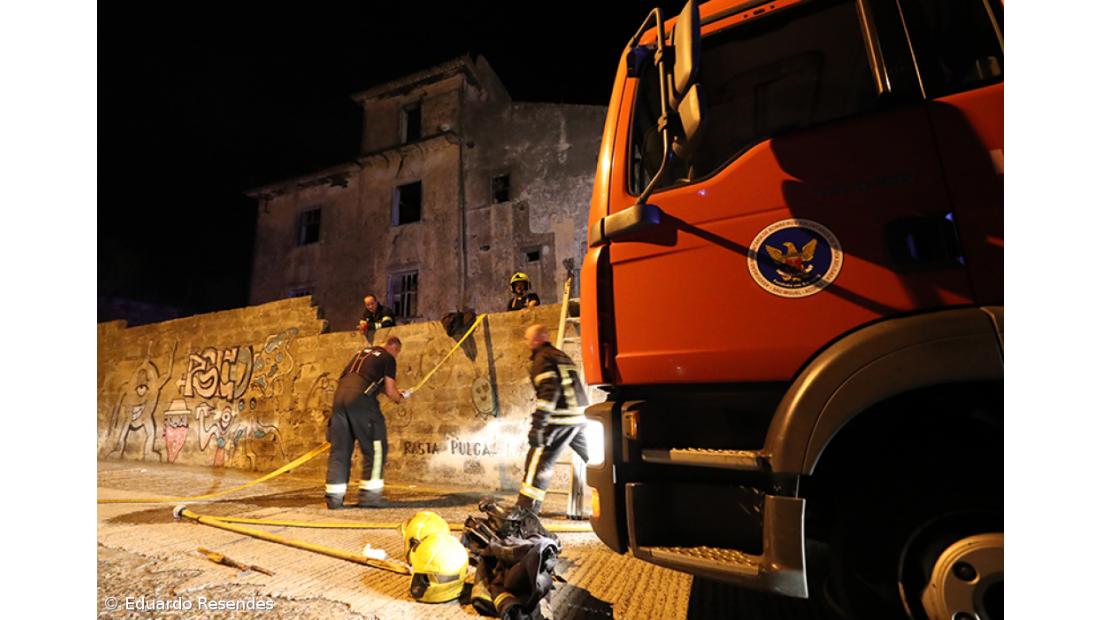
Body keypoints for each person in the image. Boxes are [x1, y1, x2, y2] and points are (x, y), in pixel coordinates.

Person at [325, 336, 413, 509]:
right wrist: (400, 397)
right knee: (376, 447)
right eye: (397, 353)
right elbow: (390, 390)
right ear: (394, 347)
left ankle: (334, 499)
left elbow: (356, 379)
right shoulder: (389, 358)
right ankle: (370, 497)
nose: (396, 356)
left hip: (340, 398)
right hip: (361, 401)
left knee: (340, 450)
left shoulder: (360, 354)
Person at [515, 324, 589, 513]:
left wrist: (538, 427)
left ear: (536, 340)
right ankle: (617, 494)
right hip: (579, 418)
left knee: (537, 462)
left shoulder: (542, 359)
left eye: (527, 338)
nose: (525, 342)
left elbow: (549, 394)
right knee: (598, 460)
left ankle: (525, 513)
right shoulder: (560, 355)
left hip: (559, 420)